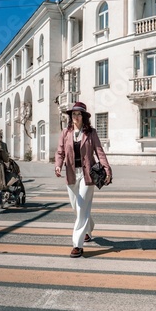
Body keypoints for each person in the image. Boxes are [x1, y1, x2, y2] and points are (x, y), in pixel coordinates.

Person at [55, 102, 112, 257]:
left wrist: (107, 169)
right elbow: (60, 152)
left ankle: (77, 245)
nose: (76, 116)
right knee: (76, 207)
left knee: (81, 208)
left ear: (84, 117)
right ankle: (88, 228)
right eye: (73, 114)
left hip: (87, 175)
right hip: (72, 174)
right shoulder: (66, 132)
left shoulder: (91, 133)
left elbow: (99, 152)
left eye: (79, 114)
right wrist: (58, 165)